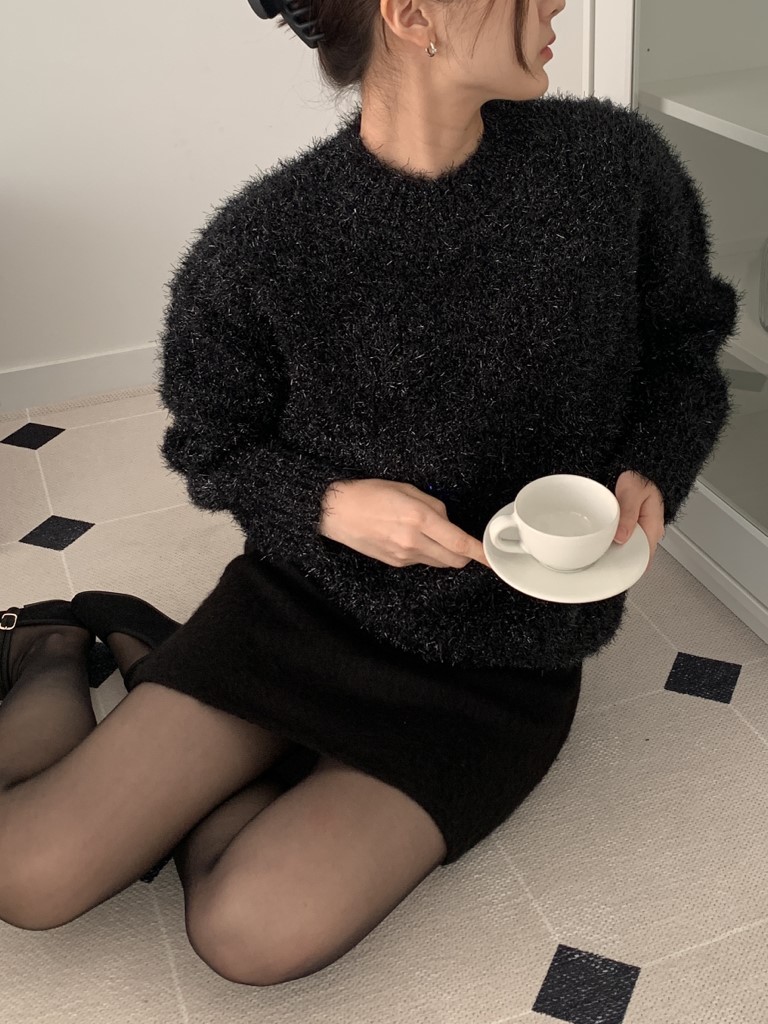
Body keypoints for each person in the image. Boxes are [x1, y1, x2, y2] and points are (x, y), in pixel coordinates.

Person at [0, 0, 740, 990]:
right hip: (303, 612)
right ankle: (52, 643)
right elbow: (211, 446)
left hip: (501, 655)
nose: (559, 1)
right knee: (28, 875)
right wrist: (329, 506)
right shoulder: (263, 246)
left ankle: (155, 658)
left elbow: (688, 348)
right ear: (413, 12)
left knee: (248, 931)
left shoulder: (614, 169)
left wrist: (653, 461)